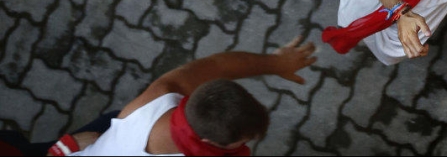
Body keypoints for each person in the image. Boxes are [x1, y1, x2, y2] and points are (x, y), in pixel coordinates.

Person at [42, 37, 316, 156]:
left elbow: (220, 66)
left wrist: (276, 63)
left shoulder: (160, 97)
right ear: (208, 142)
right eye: (243, 141)